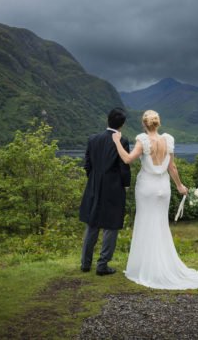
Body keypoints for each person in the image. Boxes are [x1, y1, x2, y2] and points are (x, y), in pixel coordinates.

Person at [112, 110, 198, 289]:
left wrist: (116, 142)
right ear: (158, 124)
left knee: (145, 222)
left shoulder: (142, 140)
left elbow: (127, 159)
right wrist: (180, 186)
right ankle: (162, 264)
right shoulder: (168, 140)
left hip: (147, 188)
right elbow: (172, 167)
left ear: (144, 124)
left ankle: (145, 267)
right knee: (160, 224)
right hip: (164, 187)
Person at [79, 107, 131, 275]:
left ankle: (85, 264)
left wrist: (94, 179)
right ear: (121, 124)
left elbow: (87, 165)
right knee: (111, 226)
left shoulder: (93, 139)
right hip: (114, 188)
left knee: (92, 224)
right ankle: (102, 265)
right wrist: (126, 184)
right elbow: (124, 167)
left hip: (94, 187)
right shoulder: (122, 141)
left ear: (107, 120)